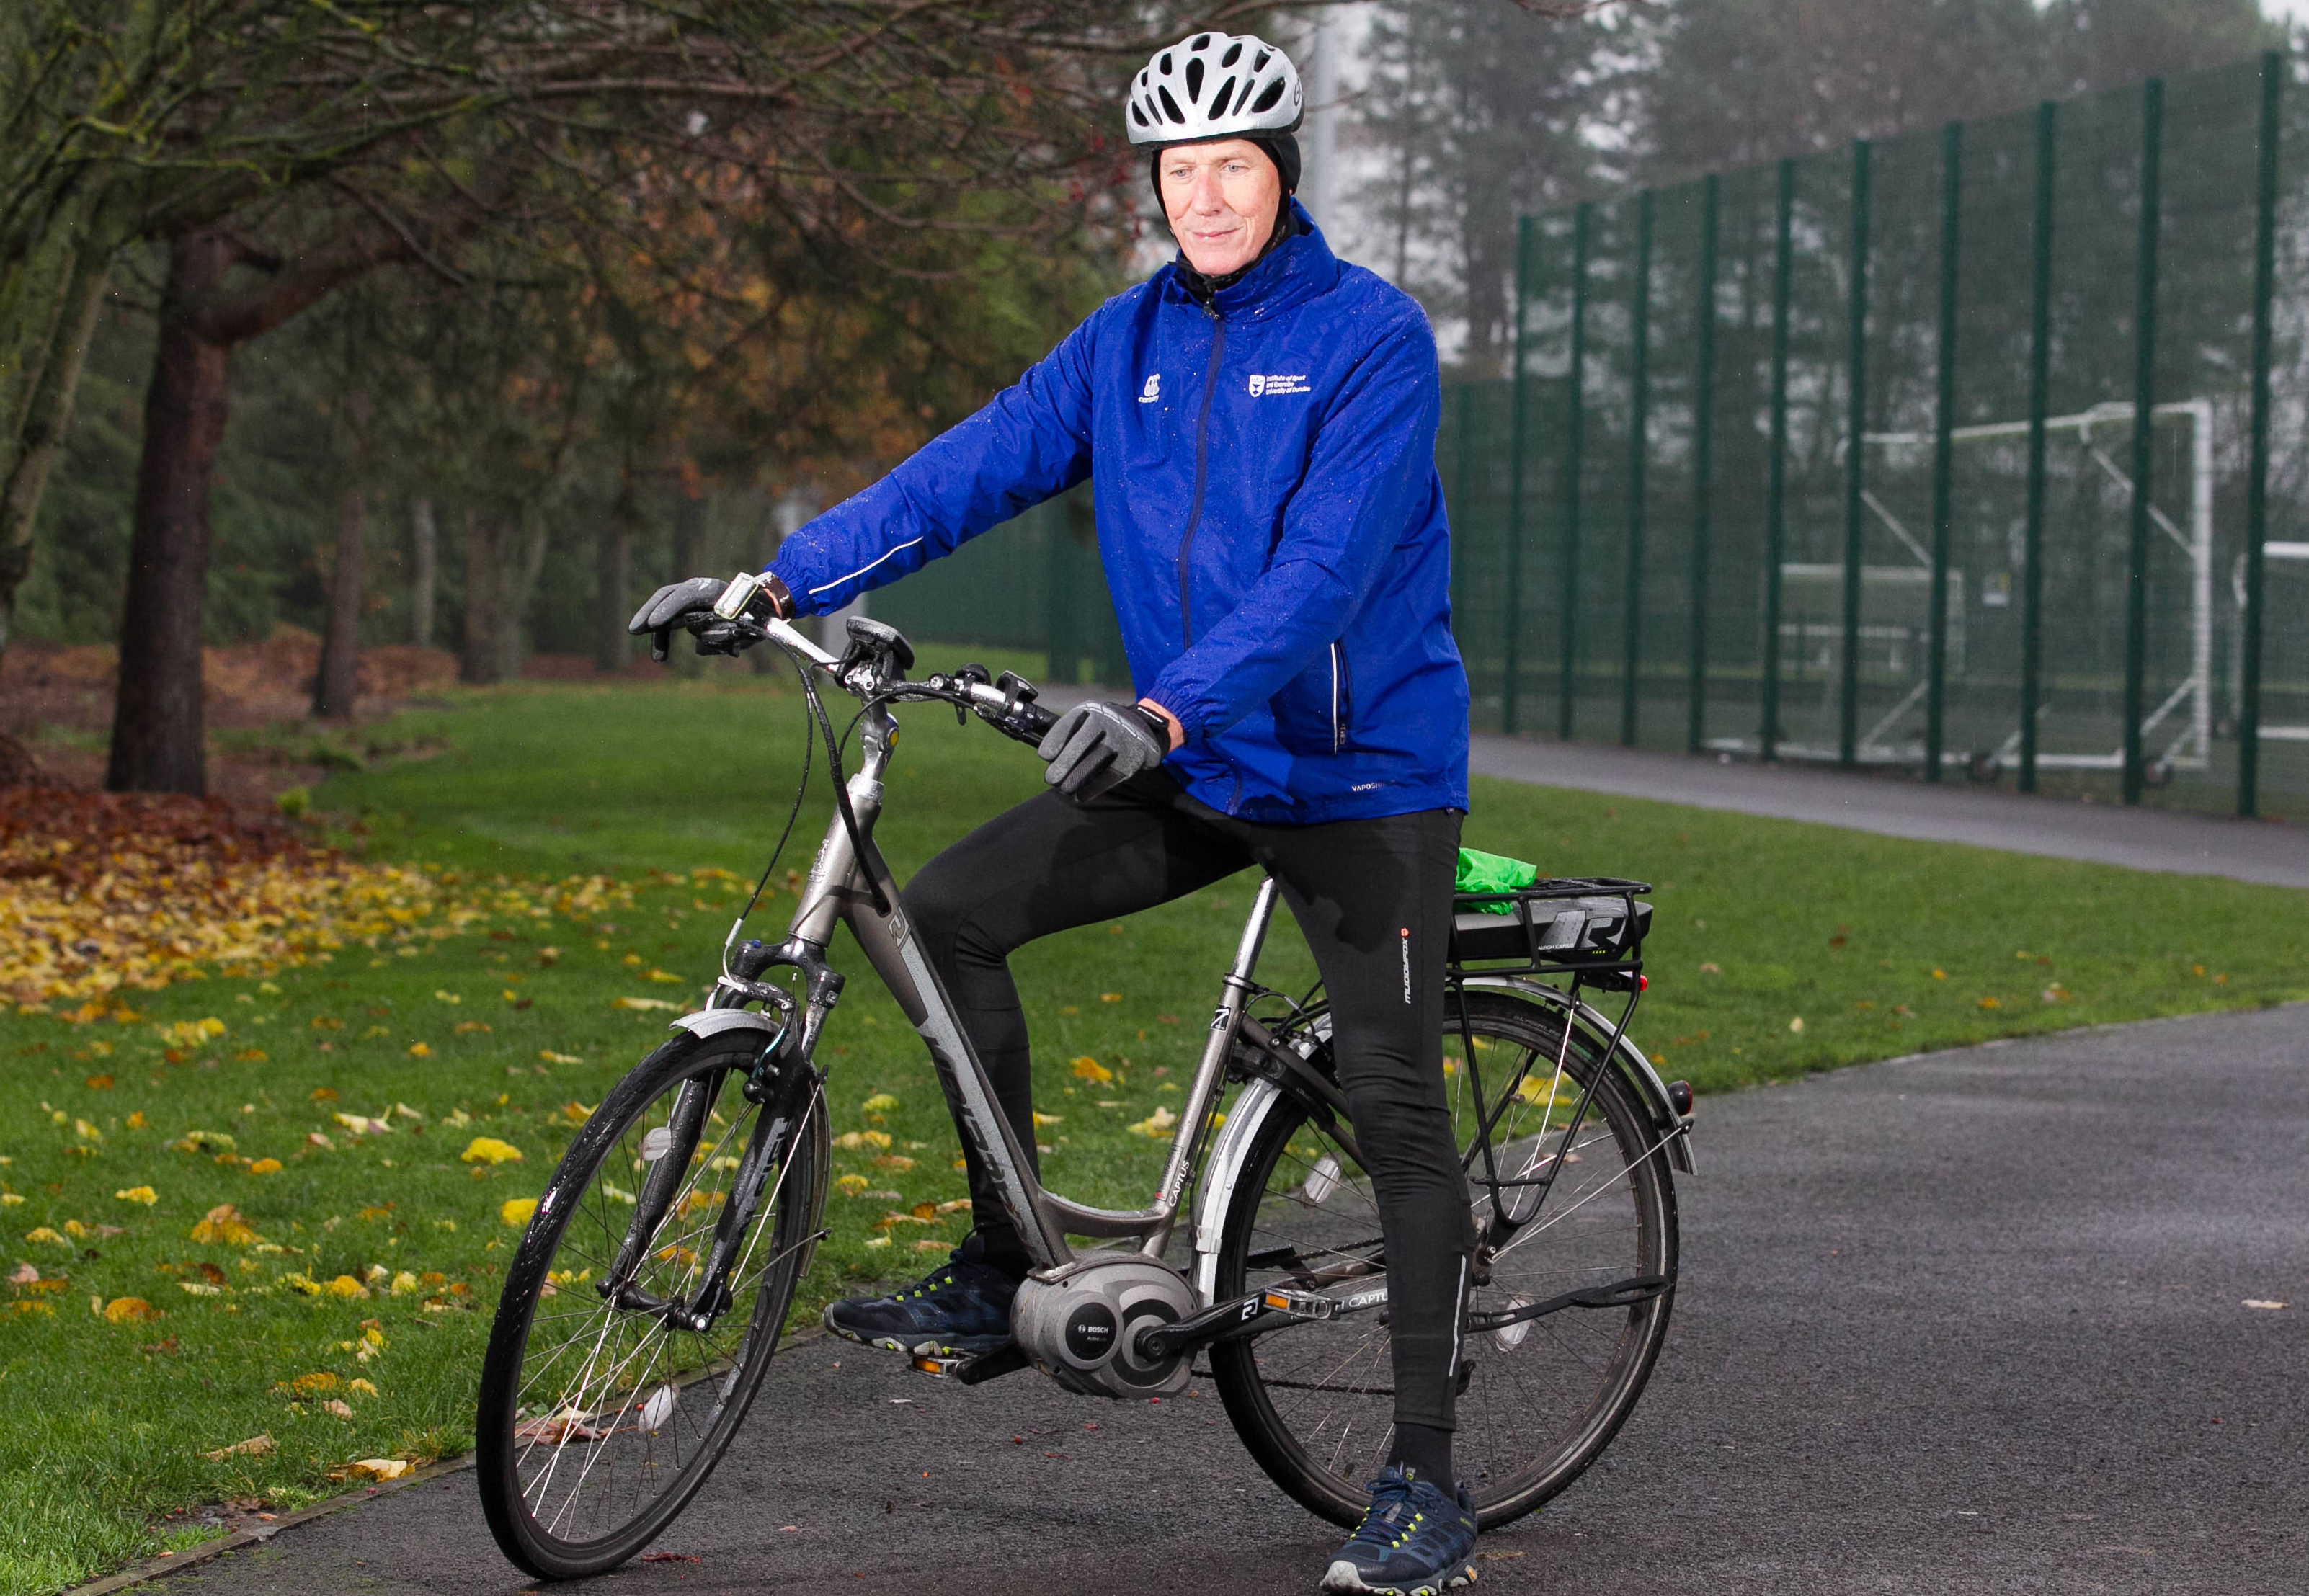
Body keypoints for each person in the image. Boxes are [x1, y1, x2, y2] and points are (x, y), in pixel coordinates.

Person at [630, 30, 1477, 1595]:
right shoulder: (1129, 340)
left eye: (1234, 165)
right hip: (1208, 762)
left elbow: (1324, 577)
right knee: (947, 916)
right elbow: (972, 467)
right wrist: (780, 577)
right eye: (1179, 172)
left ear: (1286, 174)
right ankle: (1008, 1261)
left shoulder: (1372, 340)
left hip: (1362, 779)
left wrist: (1158, 708)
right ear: (1153, 187)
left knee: (1401, 1113)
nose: (1207, 195)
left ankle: (1425, 1479)